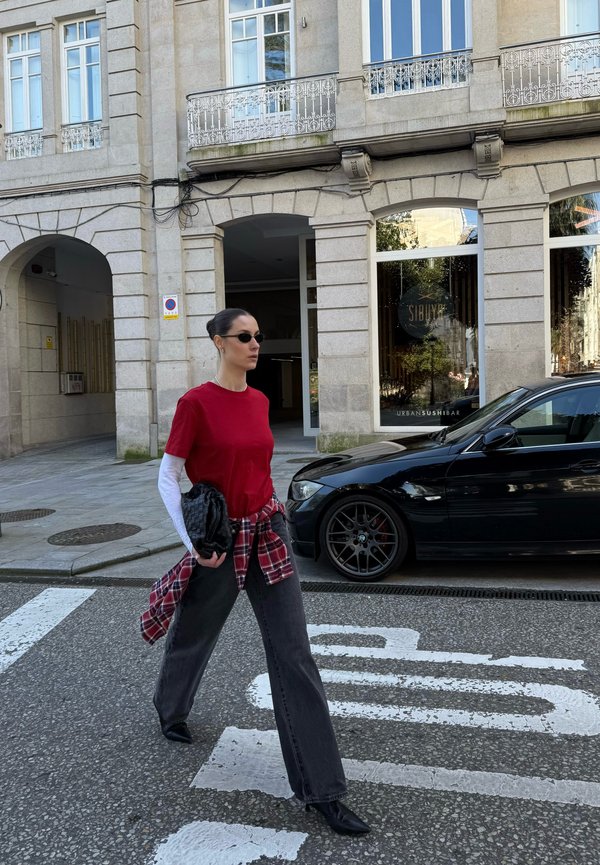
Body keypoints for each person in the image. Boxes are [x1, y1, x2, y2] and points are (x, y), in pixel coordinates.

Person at [152, 307, 370, 837]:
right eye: (244, 336)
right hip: (221, 542)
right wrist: (194, 545)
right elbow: (168, 476)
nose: (255, 344)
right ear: (218, 342)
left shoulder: (259, 401)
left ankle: (322, 790)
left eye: (258, 335)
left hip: (266, 535)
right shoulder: (195, 403)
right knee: (196, 632)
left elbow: (256, 464)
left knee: (295, 653)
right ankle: (170, 706)